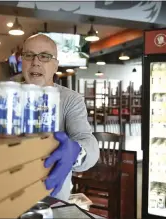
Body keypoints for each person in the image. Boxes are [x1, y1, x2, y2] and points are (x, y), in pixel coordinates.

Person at [21, 34, 99, 201]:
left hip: (52, 199)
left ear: (55, 66)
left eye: (45, 56)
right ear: (22, 61)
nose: (36, 62)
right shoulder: (5, 97)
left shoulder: (71, 99)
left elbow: (87, 140)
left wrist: (77, 151)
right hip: (7, 199)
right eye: (29, 55)